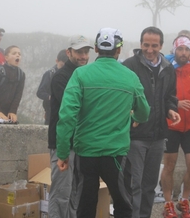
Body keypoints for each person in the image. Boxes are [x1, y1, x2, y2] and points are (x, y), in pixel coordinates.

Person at [56, 28, 150, 218]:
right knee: (123, 203)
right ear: (119, 50)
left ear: (97, 49)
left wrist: (63, 153)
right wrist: (136, 119)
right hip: (116, 153)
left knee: (85, 204)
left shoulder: (80, 75)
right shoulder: (130, 77)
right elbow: (144, 112)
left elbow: (66, 116)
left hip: (86, 152)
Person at [122, 26, 181, 218]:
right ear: (140, 44)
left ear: (161, 46)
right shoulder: (129, 66)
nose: (150, 49)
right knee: (134, 184)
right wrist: (131, 115)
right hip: (135, 135)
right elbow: (122, 98)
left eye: (154, 45)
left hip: (158, 137)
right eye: (146, 45)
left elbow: (170, 96)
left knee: (149, 186)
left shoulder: (168, 68)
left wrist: (172, 109)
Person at [160, 36, 190, 218]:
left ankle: (184, 200)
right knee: (169, 166)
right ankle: (168, 203)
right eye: (180, 49)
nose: (184, 53)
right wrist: (176, 103)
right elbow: (161, 97)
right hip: (171, 125)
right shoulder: (167, 70)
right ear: (174, 50)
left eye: (187, 50)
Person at [48, 35, 93, 218]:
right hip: (63, 143)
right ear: (69, 53)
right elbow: (74, 109)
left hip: (82, 143)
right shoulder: (61, 77)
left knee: (76, 192)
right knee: (61, 192)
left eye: (86, 52)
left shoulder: (86, 75)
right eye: (79, 52)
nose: (83, 56)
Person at [36, 49, 68, 125]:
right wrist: (51, 97)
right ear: (56, 61)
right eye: (61, 65)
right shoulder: (49, 74)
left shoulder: (69, 74)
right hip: (51, 111)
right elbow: (40, 92)